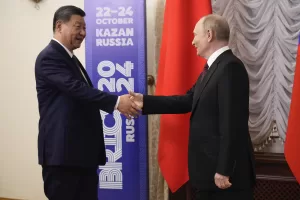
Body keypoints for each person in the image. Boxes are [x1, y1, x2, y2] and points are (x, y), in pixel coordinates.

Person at [130, 14, 256, 200]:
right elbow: (187, 100)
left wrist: (224, 168)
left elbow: (232, 123)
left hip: (225, 178)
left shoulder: (230, 68)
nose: (193, 41)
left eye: (195, 35)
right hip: (209, 173)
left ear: (209, 34)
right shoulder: (214, 68)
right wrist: (145, 101)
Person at [34, 5, 140, 200]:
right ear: (59, 26)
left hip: (80, 156)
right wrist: (117, 102)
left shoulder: (69, 58)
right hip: (63, 157)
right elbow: (77, 90)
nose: (83, 33)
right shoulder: (49, 57)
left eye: (85, 28)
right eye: (78, 27)